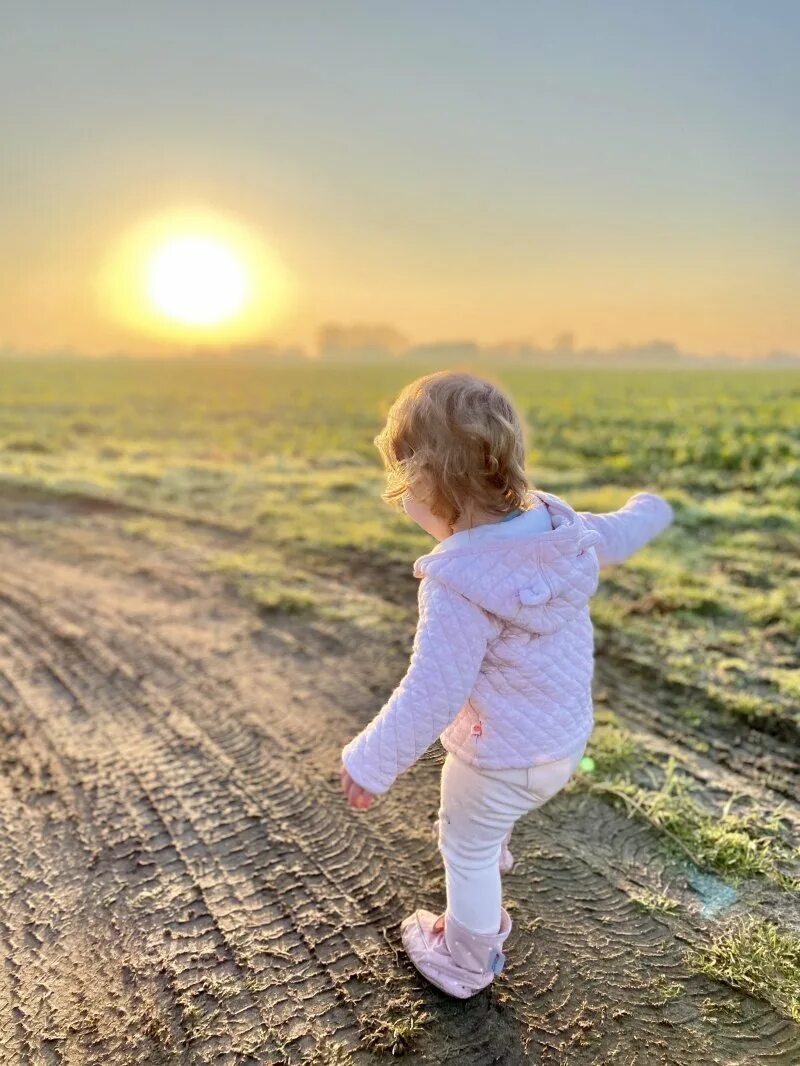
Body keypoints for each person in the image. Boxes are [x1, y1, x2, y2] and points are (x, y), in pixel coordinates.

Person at [339, 370, 674, 998]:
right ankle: (493, 840)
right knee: (486, 822)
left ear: (428, 484)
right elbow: (621, 535)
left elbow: (431, 690)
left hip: (497, 761)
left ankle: (466, 960)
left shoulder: (460, 582)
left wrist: (371, 761)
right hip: (562, 744)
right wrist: (652, 508)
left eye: (402, 485)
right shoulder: (559, 529)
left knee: (462, 843)